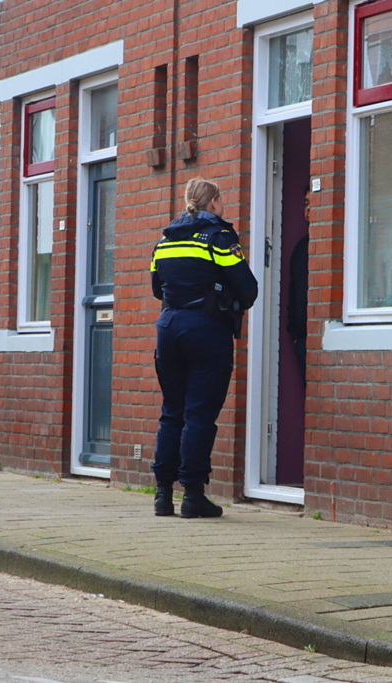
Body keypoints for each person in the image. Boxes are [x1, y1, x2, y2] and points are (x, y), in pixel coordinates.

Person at [149, 178, 258, 518]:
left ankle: (163, 495)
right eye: (221, 199)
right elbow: (248, 289)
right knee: (199, 414)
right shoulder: (219, 238)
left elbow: (157, 288)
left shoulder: (163, 242)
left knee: (172, 412)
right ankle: (193, 495)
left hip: (168, 327)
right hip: (206, 329)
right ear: (214, 202)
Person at [286, 186, 311, 379]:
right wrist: (295, 335)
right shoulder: (301, 248)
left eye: (313, 203)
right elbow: (293, 292)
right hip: (303, 338)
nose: (308, 209)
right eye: (306, 204)